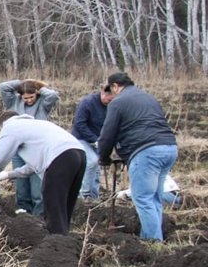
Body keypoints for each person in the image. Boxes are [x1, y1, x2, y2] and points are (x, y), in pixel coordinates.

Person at [97, 72, 178, 241]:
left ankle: (152, 241)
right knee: (154, 197)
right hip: (169, 147)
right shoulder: (149, 98)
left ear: (115, 87)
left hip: (147, 151)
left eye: (111, 90)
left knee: (142, 197)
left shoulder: (118, 102)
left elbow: (108, 133)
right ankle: (155, 237)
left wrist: (104, 156)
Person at [0, 112, 85, 235]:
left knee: (53, 207)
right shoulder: (35, 124)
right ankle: (65, 242)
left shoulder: (10, 127)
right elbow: (35, 165)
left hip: (60, 158)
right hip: (79, 154)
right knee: (65, 207)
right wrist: (9, 175)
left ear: (2, 125)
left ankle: (57, 247)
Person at [0, 79, 60, 215]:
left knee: (37, 182)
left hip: (37, 149)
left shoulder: (43, 103)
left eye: (31, 97)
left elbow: (53, 96)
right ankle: (23, 210)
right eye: (25, 98)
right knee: (21, 181)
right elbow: (3, 87)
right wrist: (23, 82)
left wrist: (38, 86)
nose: (29, 100)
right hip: (18, 148)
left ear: (36, 94)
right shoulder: (13, 102)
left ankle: (39, 213)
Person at [71, 84, 116, 200]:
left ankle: (94, 197)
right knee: (92, 162)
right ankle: (84, 195)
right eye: (109, 99)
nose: (110, 102)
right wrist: (94, 140)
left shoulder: (113, 106)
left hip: (99, 140)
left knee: (98, 168)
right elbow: (79, 124)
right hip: (81, 139)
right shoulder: (88, 103)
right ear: (103, 93)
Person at [117, 174, 182, 208]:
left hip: (165, 194)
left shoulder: (144, 172)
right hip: (175, 195)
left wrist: (123, 194)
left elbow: (139, 189)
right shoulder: (155, 168)